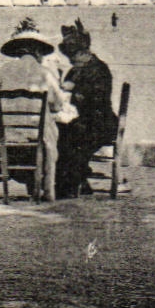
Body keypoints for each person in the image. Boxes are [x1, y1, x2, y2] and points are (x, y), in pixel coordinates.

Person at [0, 20, 67, 193]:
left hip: (4, 134)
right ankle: (43, 184)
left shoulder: (5, 69)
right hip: (36, 134)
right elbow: (57, 105)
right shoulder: (45, 73)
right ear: (38, 52)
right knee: (54, 132)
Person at [55, 22, 123, 198]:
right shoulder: (75, 70)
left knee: (71, 136)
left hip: (101, 121)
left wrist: (74, 92)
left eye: (74, 57)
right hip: (82, 120)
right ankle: (76, 180)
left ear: (85, 53)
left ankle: (70, 183)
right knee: (60, 132)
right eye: (70, 57)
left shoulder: (99, 70)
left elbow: (97, 100)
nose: (71, 61)